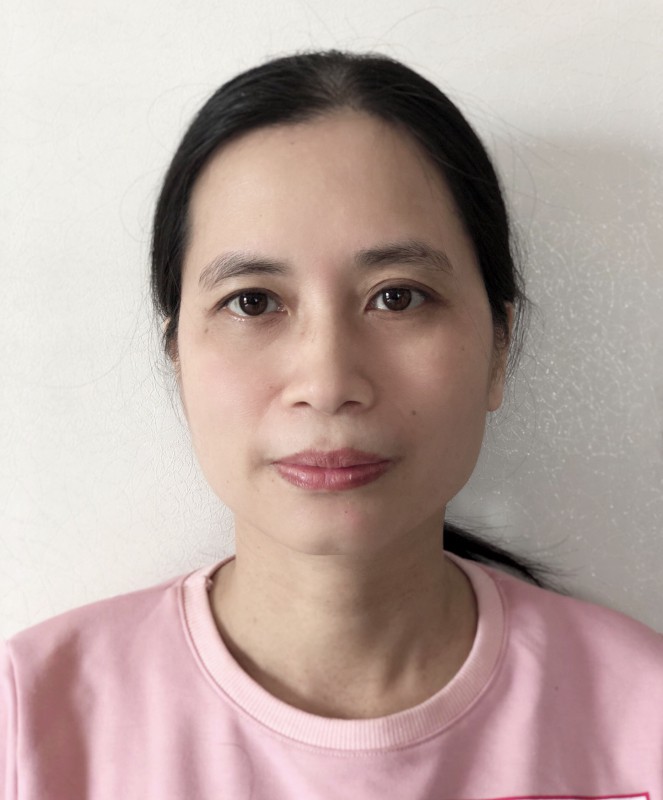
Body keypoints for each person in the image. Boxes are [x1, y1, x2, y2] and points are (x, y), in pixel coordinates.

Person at [1, 50, 661, 798]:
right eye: (252, 301)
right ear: (177, 356)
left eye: (397, 297)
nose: (327, 383)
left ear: (498, 348)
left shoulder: (644, 720)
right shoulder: (30, 724)